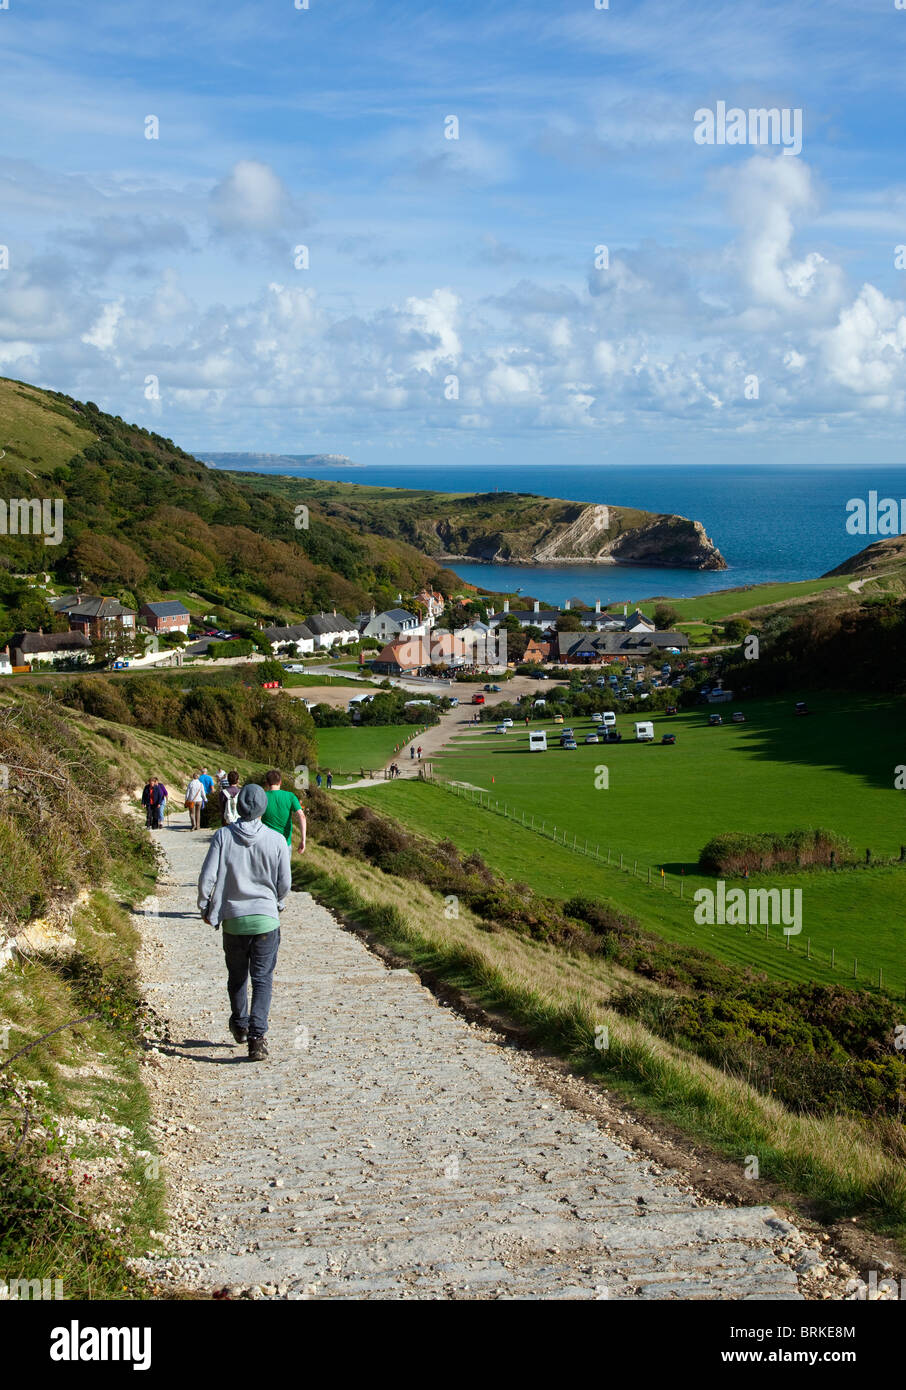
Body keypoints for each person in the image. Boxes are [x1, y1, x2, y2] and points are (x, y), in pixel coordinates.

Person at [197, 783, 291, 1062]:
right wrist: (277, 901)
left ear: (239, 806)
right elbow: (284, 882)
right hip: (265, 920)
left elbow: (207, 876)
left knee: (238, 976)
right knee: (262, 980)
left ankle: (240, 1024)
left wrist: (204, 905)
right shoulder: (275, 840)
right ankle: (257, 1038)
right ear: (263, 808)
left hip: (234, 920)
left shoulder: (223, 836)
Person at [261, 769, 307, 852]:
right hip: (285, 844)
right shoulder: (290, 796)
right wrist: (303, 840)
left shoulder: (262, 797)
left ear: (267, 783)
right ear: (280, 782)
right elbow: (302, 816)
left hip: (266, 844)